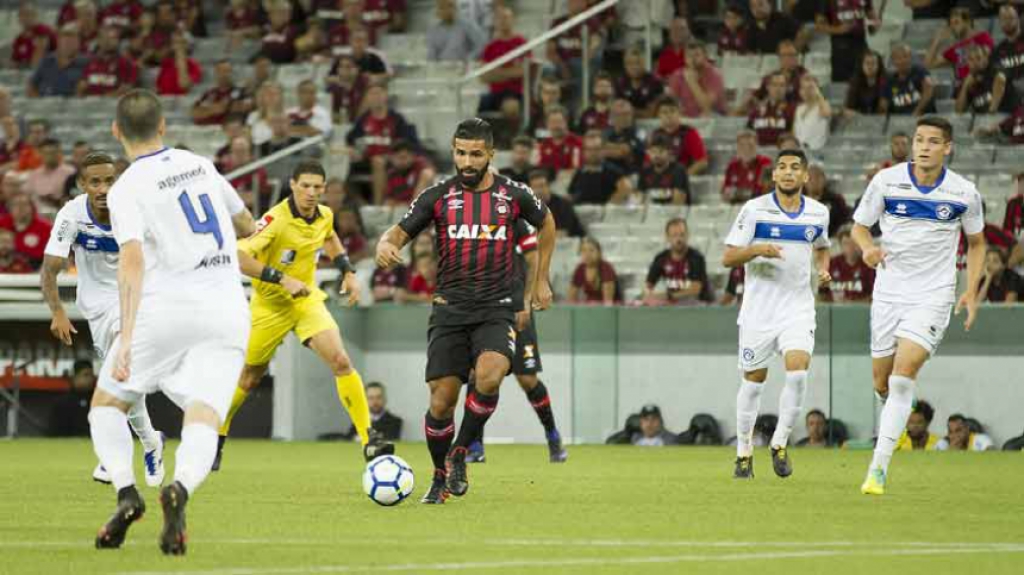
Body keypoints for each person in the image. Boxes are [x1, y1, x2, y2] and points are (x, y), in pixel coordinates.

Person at [88, 89, 257, 554]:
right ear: (163, 126)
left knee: (107, 405)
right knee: (204, 414)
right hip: (226, 308)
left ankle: (126, 492)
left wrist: (125, 337)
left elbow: (132, 260)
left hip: (166, 309)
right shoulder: (199, 163)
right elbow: (245, 223)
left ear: (116, 131)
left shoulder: (126, 189)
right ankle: (179, 487)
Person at [374, 118, 556, 504]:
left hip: (496, 308)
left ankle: (460, 452)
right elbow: (400, 231)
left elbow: (547, 222)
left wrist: (541, 279)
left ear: (490, 155)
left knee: (490, 375)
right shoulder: (438, 196)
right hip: (449, 309)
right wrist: (384, 244)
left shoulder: (513, 194)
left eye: (476, 154)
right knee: (441, 401)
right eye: (460, 153)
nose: (467, 161)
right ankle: (440, 476)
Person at [216, 160, 394, 469]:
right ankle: (217, 434)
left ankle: (369, 439)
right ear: (293, 186)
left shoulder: (324, 215)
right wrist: (281, 278)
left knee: (341, 361)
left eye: (317, 187)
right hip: (270, 306)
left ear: (324, 190)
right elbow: (238, 256)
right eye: (306, 186)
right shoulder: (274, 220)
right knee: (249, 378)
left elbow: (330, 237)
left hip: (306, 303)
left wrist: (347, 272)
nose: (312, 193)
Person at [854, 116, 986, 496]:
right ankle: (896, 403)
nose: (924, 147)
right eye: (918, 140)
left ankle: (877, 471)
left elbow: (976, 243)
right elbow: (859, 226)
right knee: (883, 381)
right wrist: (866, 249)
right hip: (889, 292)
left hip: (933, 295)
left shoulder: (964, 193)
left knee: (901, 374)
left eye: (933, 141)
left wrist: (970, 289)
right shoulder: (886, 181)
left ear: (948, 148)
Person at [41, 150, 165, 483]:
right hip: (94, 306)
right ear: (82, 185)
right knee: (121, 376)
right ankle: (151, 440)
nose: (103, 188)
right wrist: (57, 312)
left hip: (134, 300)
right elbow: (49, 269)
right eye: (94, 181)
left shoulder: (136, 210)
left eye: (109, 180)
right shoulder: (71, 216)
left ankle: (113, 459)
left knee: (119, 370)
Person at [724, 148, 831, 479]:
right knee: (754, 383)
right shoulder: (754, 210)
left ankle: (779, 443)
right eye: (781, 167)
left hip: (798, 308)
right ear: (773, 175)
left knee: (798, 371)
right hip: (759, 311)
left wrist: (823, 269)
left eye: (794, 167)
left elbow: (823, 247)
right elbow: (728, 257)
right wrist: (757, 248)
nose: (787, 172)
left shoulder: (817, 213)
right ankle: (744, 451)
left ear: (805, 177)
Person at [466, 218, 569, 463]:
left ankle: (552, 436)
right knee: (476, 375)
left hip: (515, 309)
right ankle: (474, 444)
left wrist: (525, 302)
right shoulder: (471, 223)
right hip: (484, 311)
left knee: (527, 379)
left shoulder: (515, 222)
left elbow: (533, 258)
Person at [643, 217, 711, 305]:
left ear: (687, 235)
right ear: (667, 237)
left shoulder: (696, 258)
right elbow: (648, 285)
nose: (679, 239)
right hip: (673, 304)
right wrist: (648, 295)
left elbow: (695, 290)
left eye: (682, 235)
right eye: (674, 235)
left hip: (697, 304)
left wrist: (668, 296)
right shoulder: (661, 258)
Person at [925, 8, 994, 90]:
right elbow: (928, 64)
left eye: (956, 22)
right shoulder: (954, 49)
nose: (953, 27)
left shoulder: (982, 38)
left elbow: (986, 63)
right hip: (962, 89)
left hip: (981, 85)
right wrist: (937, 41)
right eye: (951, 24)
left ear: (967, 22)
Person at [477, 6, 526, 113]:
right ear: (495, 22)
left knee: (511, 106)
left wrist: (496, 72)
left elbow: (524, 71)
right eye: (500, 18)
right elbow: (483, 76)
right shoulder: (490, 46)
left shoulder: (521, 43)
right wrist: (511, 72)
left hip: (516, 92)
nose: (503, 21)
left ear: (513, 20)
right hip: (495, 92)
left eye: (506, 18)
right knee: (481, 107)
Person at [814, 0, 876, 83]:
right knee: (841, 84)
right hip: (841, 47)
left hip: (860, 44)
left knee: (864, 81)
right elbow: (819, 26)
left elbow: (872, 25)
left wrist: (875, 23)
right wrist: (838, 30)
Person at [649, 96, 708, 175]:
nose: (668, 115)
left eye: (672, 111)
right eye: (664, 112)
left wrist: (683, 177)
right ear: (658, 115)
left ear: (679, 113)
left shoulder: (689, 133)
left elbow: (702, 162)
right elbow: (649, 162)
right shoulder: (655, 134)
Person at [567, 131, 631, 205]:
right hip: (581, 212)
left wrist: (609, 206)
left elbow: (626, 188)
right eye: (589, 149)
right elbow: (571, 194)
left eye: (596, 149)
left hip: (602, 213)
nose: (593, 153)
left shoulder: (613, 171)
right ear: (584, 152)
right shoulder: (580, 172)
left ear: (603, 150)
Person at [955, 44, 1020, 115]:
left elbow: (1000, 79)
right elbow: (959, 110)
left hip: (1008, 115)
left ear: (985, 59)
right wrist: (965, 86)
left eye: (978, 58)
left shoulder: (994, 69)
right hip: (983, 120)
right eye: (971, 59)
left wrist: (991, 112)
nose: (975, 62)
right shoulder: (969, 79)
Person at [666, 42, 726, 118]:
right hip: (686, 118)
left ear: (705, 56)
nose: (693, 59)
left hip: (713, 117)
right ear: (684, 58)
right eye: (689, 56)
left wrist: (692, 82)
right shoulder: (677, 76)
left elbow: (707, 107)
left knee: (706, 116)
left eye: (697, 55)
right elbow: (671, 104)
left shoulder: (715, 75)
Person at [190, 60, 253, 127]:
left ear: (232, 73)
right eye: (220, 71)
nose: (224, 74)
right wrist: (213, 110)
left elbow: (248, 106)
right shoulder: (210, 93)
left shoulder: (241, 91)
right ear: (216, 73)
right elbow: (194, 112)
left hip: (230, 130)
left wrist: (209, 109)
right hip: (207, 129)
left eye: (227, 71)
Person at [0, 190, 53, 269]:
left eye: (24, 204)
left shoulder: (46, 228)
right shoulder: (2, 224)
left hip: (36, 271)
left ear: (32, 207)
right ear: (10, 208)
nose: (20, 208)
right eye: (16, 205)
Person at [821, 226, 874, 302]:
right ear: (840, 245)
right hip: (834, 310)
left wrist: (853, 304)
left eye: (853, 243)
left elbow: (873, 297)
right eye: (846, 243)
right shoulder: (831, 264)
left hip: (859, 311)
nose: (850, 247)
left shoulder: (868, 266)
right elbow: (821, 294)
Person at [882, 43, 936, 117]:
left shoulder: (920, 71)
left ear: (910, 58)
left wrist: (917, 111)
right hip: (897, 122)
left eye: (905, 56)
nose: (902, 61)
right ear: (893, 61)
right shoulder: (889, 80)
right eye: (898, 58)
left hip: (923, 118)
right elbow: (884, 103)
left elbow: (929, 90)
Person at [530, 169, 585, 238]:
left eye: (542, 186)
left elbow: (562, 233)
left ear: (549, 187)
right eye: (535, 187)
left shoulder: (563, 205)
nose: (539, 191)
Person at [639, 133, 690, 205]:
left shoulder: (678, 170)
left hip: (673, 214)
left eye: (661, 151)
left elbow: (678, 201)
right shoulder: (645, 171)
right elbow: (640, 199)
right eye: (653, 151)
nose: (656, 155)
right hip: (651, 213)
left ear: (669, 152)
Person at [747, 73, 795, 147]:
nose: (778, 88)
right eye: (774, 85)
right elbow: (749, 133)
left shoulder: (792, 110)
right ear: (767, 87)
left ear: (786, 88)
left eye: (782, 85)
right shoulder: (756, 110)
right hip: (759, 153)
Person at [616, 47, 665, 119]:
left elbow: (651, 114)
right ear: (625, 66)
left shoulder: (655, 82)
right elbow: (618, 112)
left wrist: (629, 111)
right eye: (630, 63)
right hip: (626, 124)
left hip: (651, 125)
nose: (634, 67)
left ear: (644, 63)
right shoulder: (620, 83)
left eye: (638, 63)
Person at [568, 236, 617, 304]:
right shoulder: (580, 268)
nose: (587, 254)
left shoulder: (606, 268)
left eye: (591, 250)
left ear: (599, 252)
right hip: (588, 308)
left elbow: (608, 301)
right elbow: (571, 296)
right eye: (583, 250)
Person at [793, 75, 831, 153]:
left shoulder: (822, 105)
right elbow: (795, 132)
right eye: (803, 88)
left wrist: (818, 94)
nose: (806, 91)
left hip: (816, 151)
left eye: (810, 88)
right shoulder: (799, 109)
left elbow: (826, 113)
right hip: (799, 151)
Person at [994, 6, 1024, 88]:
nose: (1007, 22)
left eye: (1011, 18)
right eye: (1004, 19)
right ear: (999, 23)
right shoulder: (998, 50)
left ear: (1018, 19)